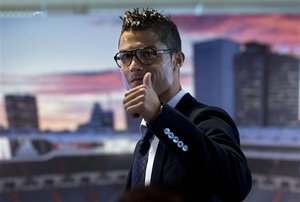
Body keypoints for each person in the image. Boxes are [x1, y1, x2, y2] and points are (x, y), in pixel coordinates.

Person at [114, 8, 252, 202]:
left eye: (147, 53)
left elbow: (236, 186)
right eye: (125, 57)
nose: (134, 65)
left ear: (177, 60)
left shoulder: (206, 119)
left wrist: (160, 117)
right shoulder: (144, 143)